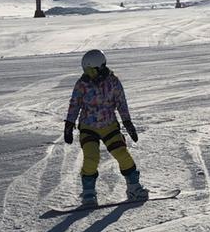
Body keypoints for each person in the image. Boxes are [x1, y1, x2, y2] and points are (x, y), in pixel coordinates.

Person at [64, 49, 149, 206]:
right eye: (85, 70)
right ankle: (89, 194)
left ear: (98, 67)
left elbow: (121, 103)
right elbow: (74, 104)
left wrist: (127, 122)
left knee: (122, 154)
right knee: (91, 157)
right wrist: (69, 124)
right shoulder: (82, 84)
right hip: (88, 126)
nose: (87, 73)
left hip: (109, 125)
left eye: (89, 70)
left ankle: (134, 188)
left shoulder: (113, 82)